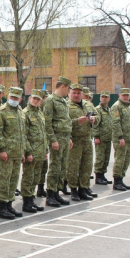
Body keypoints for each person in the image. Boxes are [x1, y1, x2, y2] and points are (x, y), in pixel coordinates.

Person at [0, 87, 26, 218]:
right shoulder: (1, 111)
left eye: (16, 98)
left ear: (20, 99)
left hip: (17, 152)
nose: (13, 99)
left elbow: (22, 134)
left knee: (13, 180)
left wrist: (22, 151)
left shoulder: (21, 112)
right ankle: (2, 207)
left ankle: (9, 205)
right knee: (4, 180)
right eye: (12, 97)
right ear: (7, 97)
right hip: (6, 153)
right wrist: (1, 149)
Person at [43, 77, 73, 206]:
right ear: (63, 86)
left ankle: (57, 192)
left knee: (62, 167)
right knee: (55, 166)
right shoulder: (50, 100)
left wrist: (69, 137)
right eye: (68, 88)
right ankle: (50, 194)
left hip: (65, 137)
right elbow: (47, 123)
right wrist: (53, 140)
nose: (69, 91)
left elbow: (66, 120)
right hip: (57, 137)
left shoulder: (63, 101)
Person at [66, 84, 96, 201]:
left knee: (86, 166)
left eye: (79, 93)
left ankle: (83, 189)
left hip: (87, 140)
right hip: (75, 140)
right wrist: (76, 121)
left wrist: (94, 119)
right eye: (74, 93)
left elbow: (97, 116)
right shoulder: (66, 106)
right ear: (69, 93)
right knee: (73, 167)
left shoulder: (88, 104)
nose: (76, 95)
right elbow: (64, 123)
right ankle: (73, 190)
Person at [20, 90, 47, 213]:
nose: (36, 101)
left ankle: (31, 199)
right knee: (28, 177)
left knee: (36, 177)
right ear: (30, 98)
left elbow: (43, 133)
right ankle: (26, 202)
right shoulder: (25, 113)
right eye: (34, 98)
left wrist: (45, 150)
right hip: (31, 152)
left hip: (40, 151)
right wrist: (28, 152)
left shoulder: (39, 113)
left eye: (38, 99)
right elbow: (24, 135)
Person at [110, 88, 130, 190]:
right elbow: (115, 122)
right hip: (121, 139)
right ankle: (117, 182)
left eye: (127, 95)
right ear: (119, 95)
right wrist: (120, 137)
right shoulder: (116, 106)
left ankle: (121, 179)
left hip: (128, 138)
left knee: (126, 160)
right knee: (120, 160)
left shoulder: (128, 107)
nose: (125, 97)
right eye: (123, 95)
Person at [93, 90, 113, 185]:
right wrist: (96, 136)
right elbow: (95, 124)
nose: (104, 99)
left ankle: (103, 175)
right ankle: (98, 176)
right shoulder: (97, 109)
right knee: (100, 158)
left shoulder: (109, 110)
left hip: (108, 137)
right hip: (100, 138)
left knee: (106, 158)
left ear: (109, 99)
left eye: (106, 97)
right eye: (102, 97)